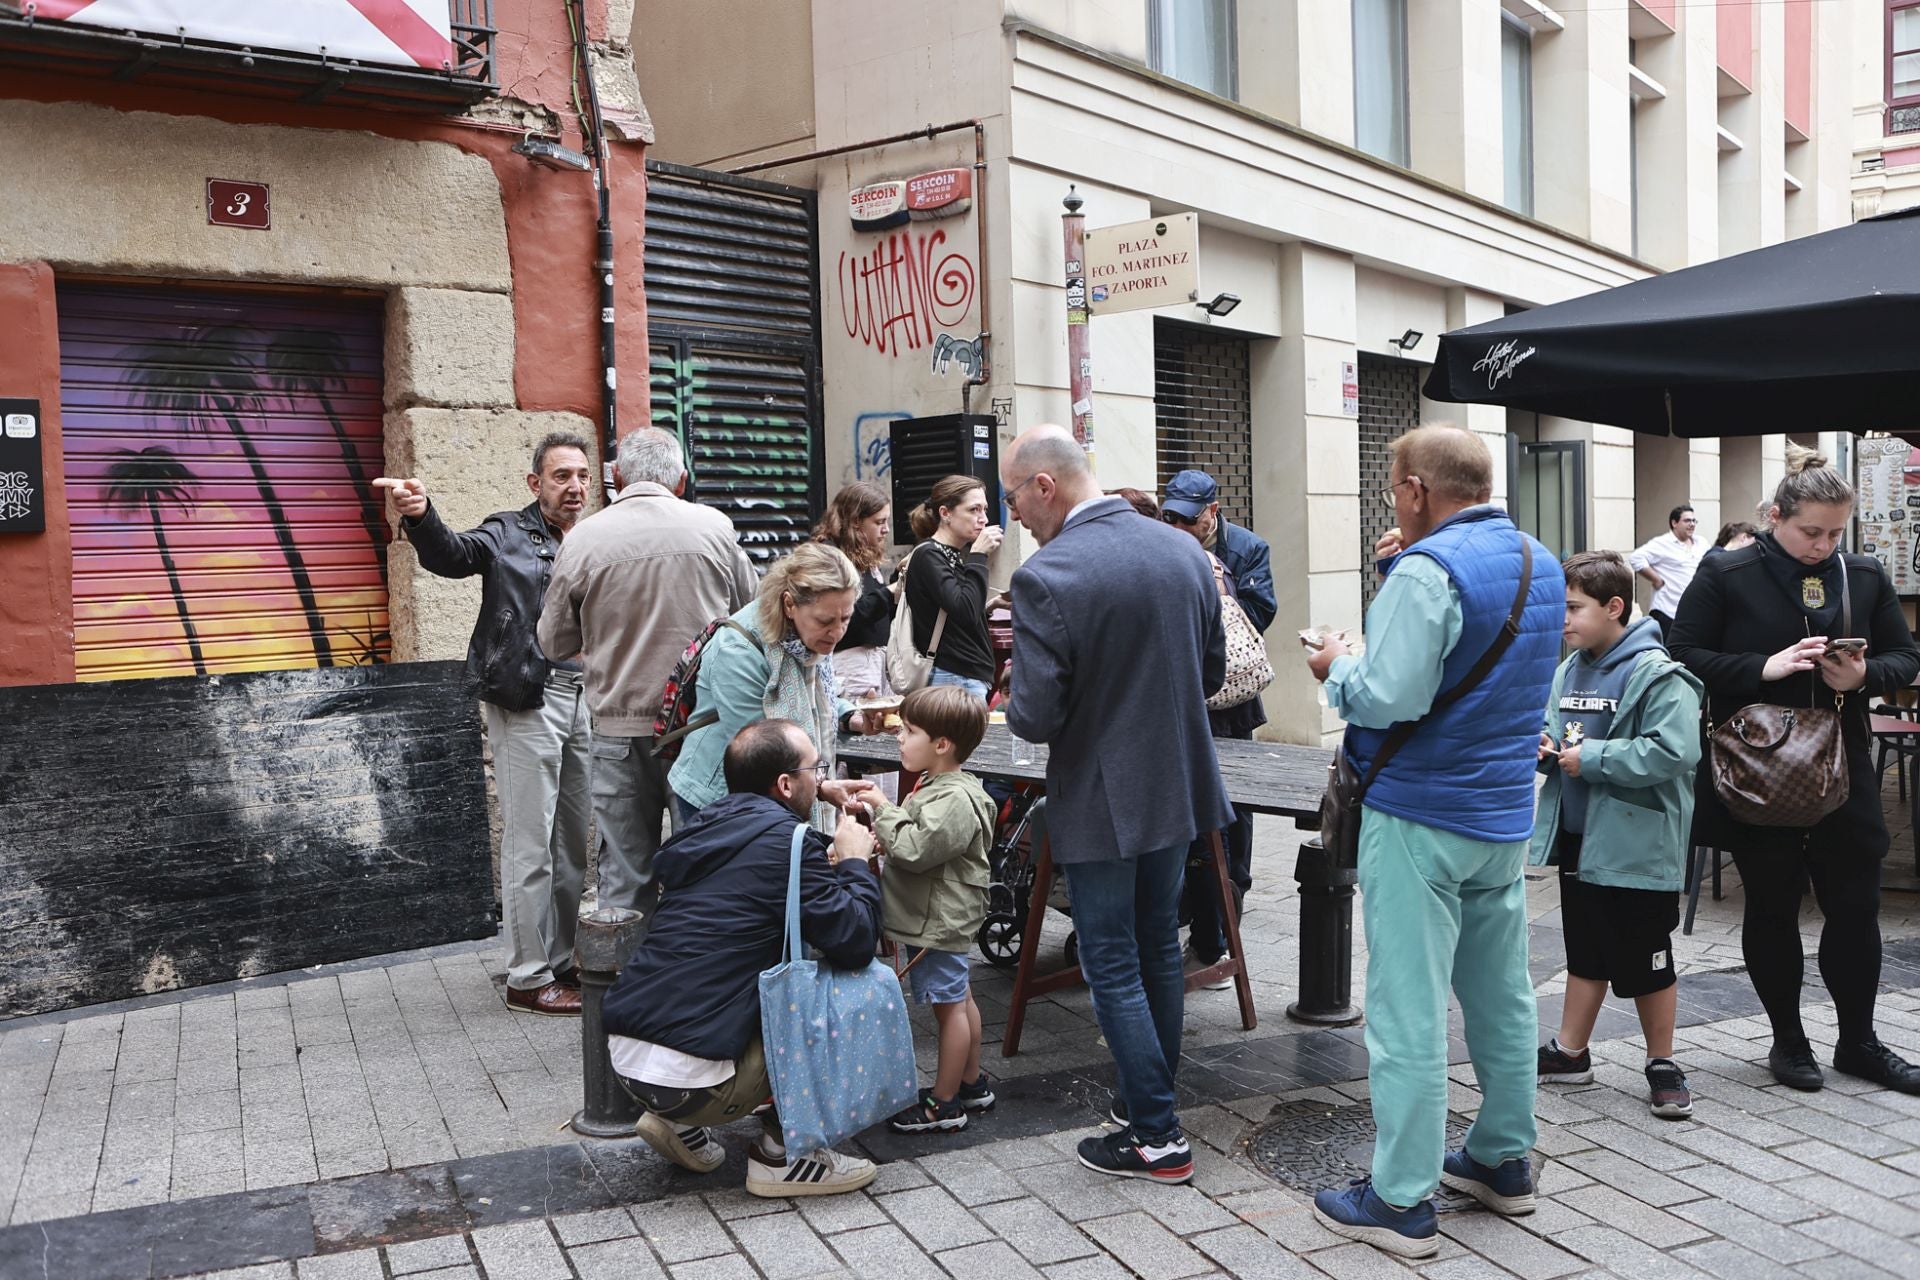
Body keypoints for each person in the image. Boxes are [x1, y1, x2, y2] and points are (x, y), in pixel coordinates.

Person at [1302, 425, 1562, 1259]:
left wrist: (1336, 665)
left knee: (1406, 1013)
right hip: (1499, 818)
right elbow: (1473, 657)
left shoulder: (1426, 572)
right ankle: (1501, 1159)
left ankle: (1401, 1200)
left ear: (1417, 488)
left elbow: (1388, 694)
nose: (1393, 504)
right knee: (1501, 996)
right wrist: (1399, 573)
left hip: (1419, 818)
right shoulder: (1538, 559)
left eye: (1393, 491)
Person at [1001, 425, 1229, 1185]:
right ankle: (1145, 1111)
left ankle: (1157, 1134)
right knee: (1158, 942)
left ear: (1045, 486)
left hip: (1101, 791)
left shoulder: (1048, 574)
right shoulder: (1183, 550)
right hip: (1176, 779)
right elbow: (1212, 671)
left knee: (1110, 957)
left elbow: (1032, 718)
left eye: (1013, 498)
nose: (1014, 518)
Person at [1669, 446, 1920, 1095]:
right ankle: (1788, 1039)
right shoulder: (1727, 570)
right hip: (1755, 767)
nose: (1823, 544)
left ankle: (1859, 1040)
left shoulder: (1861, 574)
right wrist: (1762, 668)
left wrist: (1865, 674)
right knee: (1774, 906)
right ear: (1777, 515)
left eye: (1835, 532)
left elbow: (1904, 657)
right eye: (1811, 530)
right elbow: (1682, 653)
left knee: (1855, 907)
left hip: (1840, 766)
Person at [601, 719, 884, 1197]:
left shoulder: (702, 832)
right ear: (785, 784)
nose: (822, 776)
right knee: (853, 988)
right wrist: (854, 860)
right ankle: (782, 1156)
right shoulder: (791, 848)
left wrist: (818, 793)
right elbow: (855, 940)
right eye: (816, 769)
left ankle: (674, 1120)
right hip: (697, 1082)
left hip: (629, 1062)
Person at [375, 434, 595, 1017]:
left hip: (587, 698)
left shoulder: (598, 538)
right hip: (527, 696)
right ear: (535, 484)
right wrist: (422, 516)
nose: (573, 486)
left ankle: (565, 960)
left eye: (582, 476)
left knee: (574, 843)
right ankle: (526, 976)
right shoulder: (507, 532)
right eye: (560, 476)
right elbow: (453, 554)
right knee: (531, 843)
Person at [539, 428, 758, 923]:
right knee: (704, 866)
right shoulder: (715, 528)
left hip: (618, 729)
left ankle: (624, 989)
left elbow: (552, 644)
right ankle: (701, 986)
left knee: (624, 871)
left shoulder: (584, 539)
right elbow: (753, 618)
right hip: (700, 730)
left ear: (616, 477)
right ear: (681, 480)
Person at [1531, 551, 1705, 1120]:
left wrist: (1595, 758)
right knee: (1585, 946)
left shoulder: (1660, 674)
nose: (1564, 619)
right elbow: (1561, 735)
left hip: (1637, 846)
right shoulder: (1568, 669)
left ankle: (1662, 1064)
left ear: (1614, 607)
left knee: (1647, 954)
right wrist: (1545, 751)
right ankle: (1570, 1052)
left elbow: (1674, 751)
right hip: (1583, 840)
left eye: (1574, 608)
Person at [667, 541, 884, 832]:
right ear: (789, 605)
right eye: (826, 621)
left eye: (846, 618)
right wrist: (820, 787)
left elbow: (819, 696)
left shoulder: (811, 634)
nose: (837, 632)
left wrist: (851, 716)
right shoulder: (738, 648)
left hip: (789, 783)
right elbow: (760, 752)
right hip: (720, 795)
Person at [868, 685, 998, 1134]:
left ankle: (944, 1105)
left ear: (941, 745)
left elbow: (914, 849)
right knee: (960, 998)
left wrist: (882, 809)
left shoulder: (953, 798)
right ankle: (971, 1083)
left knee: (950, 1007)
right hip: (945, 916)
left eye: (909, 731)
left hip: (940, 921)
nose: (899, 739)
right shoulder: (943, 786)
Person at [1160, 469, 1274, 977]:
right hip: (1184, 699)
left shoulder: (1246, 548)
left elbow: (1260, 613)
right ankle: (1203, 919)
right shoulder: (1163, 540)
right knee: (1193, 815)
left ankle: (1228, 916)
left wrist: (1214, 586)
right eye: (1171, 517)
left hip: (1230, 704)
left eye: (1188, 518)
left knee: (1233, 811)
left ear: (1213, 510)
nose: (1179, 527)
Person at [904, 474, 1003, 699]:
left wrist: (990, 606)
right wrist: (978, 556)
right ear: (945, 513)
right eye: (973, 510)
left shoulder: (951, 555)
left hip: (964, 675)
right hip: (953, 676)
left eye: (984, 510)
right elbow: (964, 611)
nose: (984, 519)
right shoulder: (929, 554)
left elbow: (956, 615)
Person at [813, 481, 895, 700]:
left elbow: (876, 610)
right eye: (879, 522)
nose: (886, 529)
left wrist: (899, 581)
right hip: (851, 663)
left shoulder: (863, 553)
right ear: (856, 522)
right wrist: (889, 593)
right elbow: (844, 616)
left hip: (875, 660)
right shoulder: (830, 556)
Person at [1628, 504, 1703, 639]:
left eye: (1694, 521)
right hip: (1668, 611)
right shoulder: (1662, 543)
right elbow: (1635, 558)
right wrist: (1656, 579)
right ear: (1674, 523)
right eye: (1687, 521)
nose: (1692, 524)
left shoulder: (1701, 542)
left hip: (1693, 612)